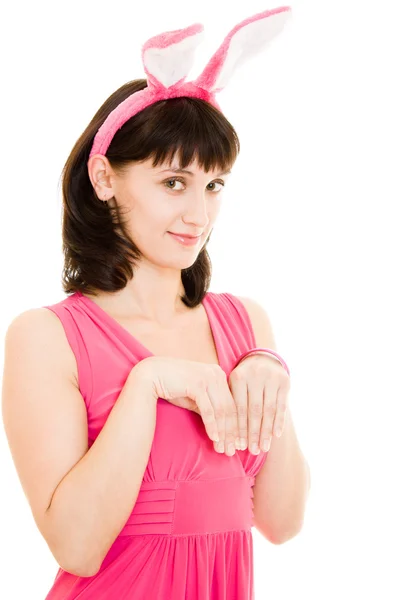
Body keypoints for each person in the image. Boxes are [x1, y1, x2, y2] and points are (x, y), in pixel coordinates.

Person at [2, 8, 308, 599]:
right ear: (104, 178)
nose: (199, 215)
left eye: (213, 184)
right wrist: (147, 383)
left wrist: (271, 379)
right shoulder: (46, 337)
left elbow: (282, 522)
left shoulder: (246, 325)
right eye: (174, 182)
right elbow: (77, 545)